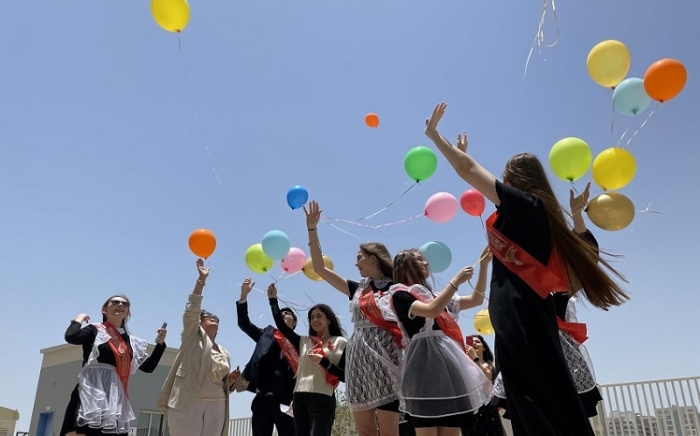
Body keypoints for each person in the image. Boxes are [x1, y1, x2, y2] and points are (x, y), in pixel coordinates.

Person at [424, 102, 628, 435]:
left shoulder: (527, 208)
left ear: (515, 179)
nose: (501, 182)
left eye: (504, 177)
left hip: (522, 319)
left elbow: (466, 169)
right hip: (520, 319)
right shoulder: (533, 213)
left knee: (537, 405)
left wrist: (435, 136)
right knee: (537, 404)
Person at [304, 200, 402, 436]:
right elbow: (320, 268)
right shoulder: (358, 289)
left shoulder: (399, 287)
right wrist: (312, 229)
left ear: (374, 258)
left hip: (386, 358)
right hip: (358, 360)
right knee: (365, 431)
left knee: (389, 431)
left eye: (360, 257)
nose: (356, 263)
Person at [390, 249, 492, 436]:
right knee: (426, 427)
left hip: (450, 364)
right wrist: (455, 281)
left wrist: (484, 265)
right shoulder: (400, 295)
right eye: (419, 260)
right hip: (422, 367)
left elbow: (476, 299)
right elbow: (432, 310)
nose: (426, 263)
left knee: (452, 428)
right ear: (405, 266)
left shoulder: (437, 296)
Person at [60, 295, 167, 436]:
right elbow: (71, 337)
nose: (120, 305)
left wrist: (160, 345)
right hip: (90, 392)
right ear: (104, 310)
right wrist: (79, 318)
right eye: (115, 302)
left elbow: (148, 367)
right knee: (79, 432)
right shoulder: (95, 330)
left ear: (128, 313)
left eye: (125, 304)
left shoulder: (131, 342)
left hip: (114, 397)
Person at [158, 259, 237, 436]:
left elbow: (221, 382)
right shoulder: (192, 337)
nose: (213, 318)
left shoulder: (224, 352)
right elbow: (191, 310)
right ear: (199, 322)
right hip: (189, 400)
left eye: (216, 318)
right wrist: (201, 280)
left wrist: (230, 381)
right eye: (208, 316)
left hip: (217, 403)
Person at [268, 282, 348, 436]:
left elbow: (345, 376)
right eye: (312, 317)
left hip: (322, 398)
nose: (315, 320)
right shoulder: (304, 341)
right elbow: (282, 327)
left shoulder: (341, 342)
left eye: (319, 316)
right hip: (299, 398)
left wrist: (324, 362)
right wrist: (273, 300)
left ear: (329, 320)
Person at [235, 277, 297, 436]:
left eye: (287, 313)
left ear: (294, 323)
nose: (283, 314)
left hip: (286, 402)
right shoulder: (267, 334)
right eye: (281, 313)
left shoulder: (298, 344)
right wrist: (243, 296)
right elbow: (244, 324)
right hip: (262, 400)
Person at [462, 335, 505, 436]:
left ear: (484, 347)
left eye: (477, 342)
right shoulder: (465, 366)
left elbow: (490, 377)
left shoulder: (491, 364)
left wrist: (475, 357)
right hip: (471, 408)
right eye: (471, 342)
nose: (474, 343)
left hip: (488, 409)